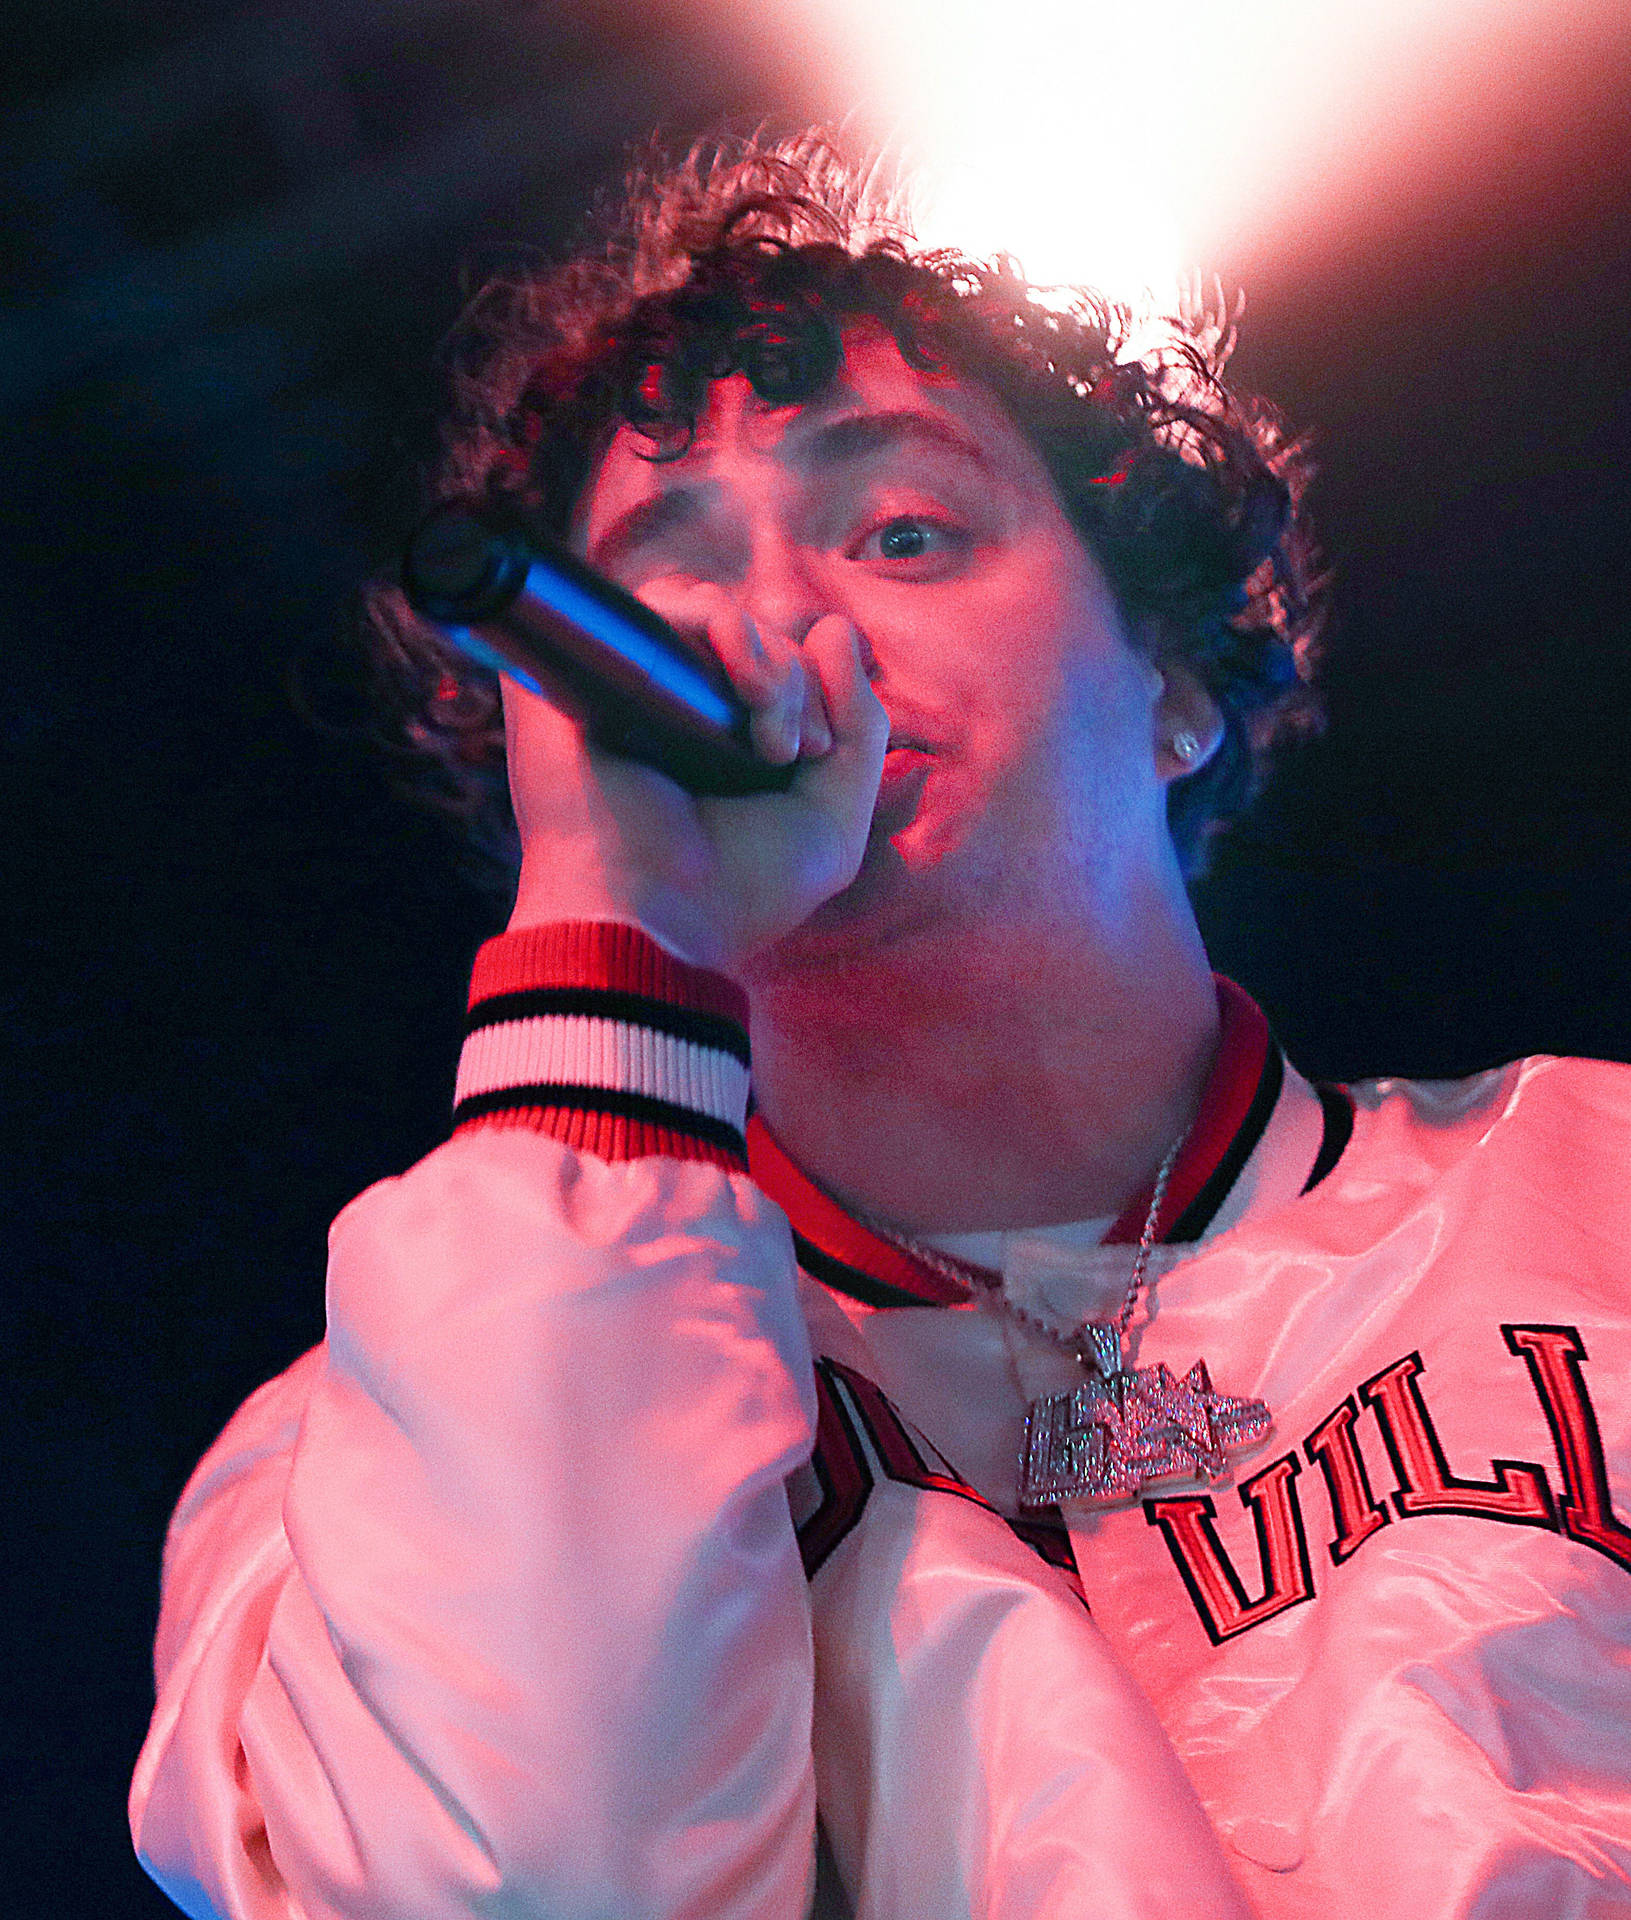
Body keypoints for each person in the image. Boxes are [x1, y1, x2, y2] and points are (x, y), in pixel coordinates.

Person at [131, 133, 1631, 1918]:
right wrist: (615, 937)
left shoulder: (1593, 1198)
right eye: (672, 590)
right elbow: (520, 1884)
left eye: (906, 533)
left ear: (1173, 680)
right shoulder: (359, 1461)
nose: (780, 622)